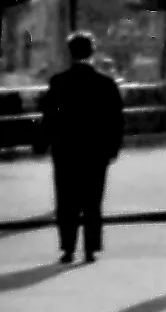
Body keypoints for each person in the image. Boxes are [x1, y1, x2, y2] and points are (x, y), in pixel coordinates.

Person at [43, 31, 125, 265]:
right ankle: (90, 248)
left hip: (66, 150)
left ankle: (68, 247)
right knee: (92, 200)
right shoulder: (106, 84)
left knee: (66, 200)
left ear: (70, 53)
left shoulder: (58, 82)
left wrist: (45, 143)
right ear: (93, 52)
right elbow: (116, 120)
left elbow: (49, 116)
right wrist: (112, 148)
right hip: (95, 151)